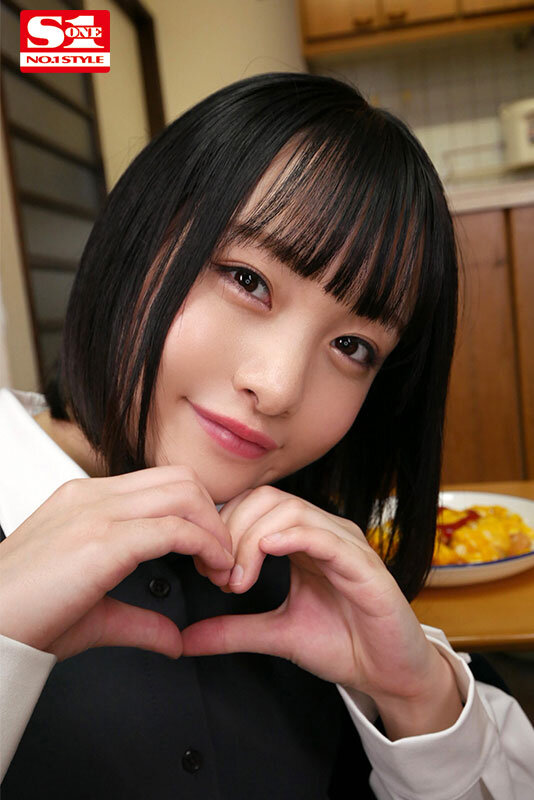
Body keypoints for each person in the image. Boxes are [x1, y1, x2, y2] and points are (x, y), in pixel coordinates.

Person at [0, 72, 532, 799]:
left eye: (352, 347)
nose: (278, 387)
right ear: (137, 238)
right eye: (248, 280)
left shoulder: (322, 571)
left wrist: (418, 698)